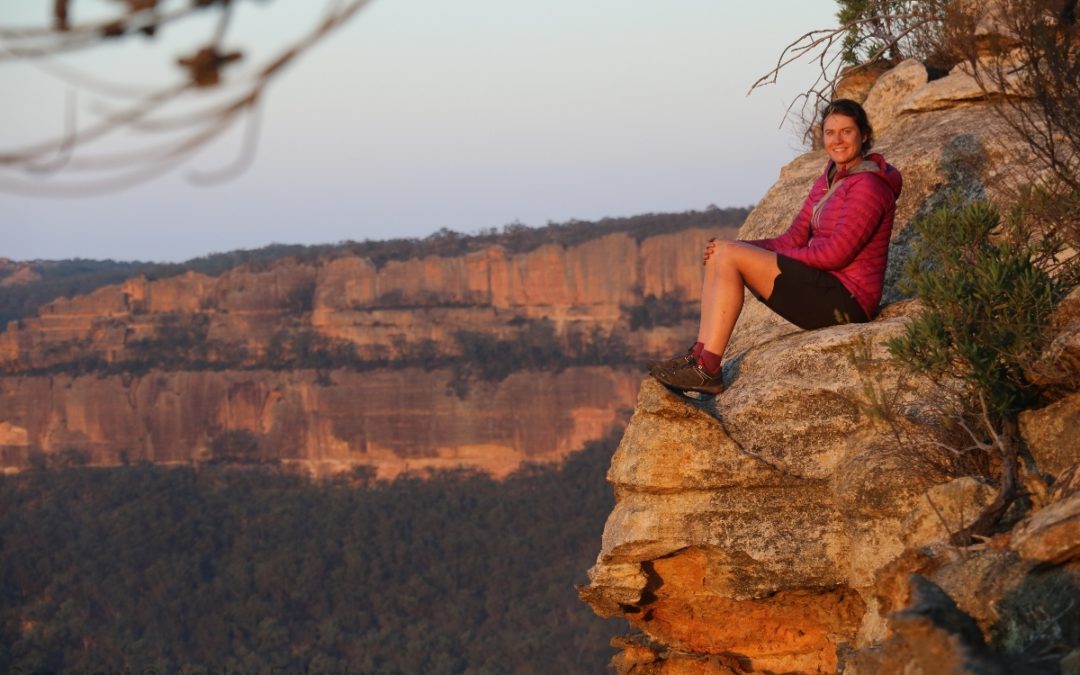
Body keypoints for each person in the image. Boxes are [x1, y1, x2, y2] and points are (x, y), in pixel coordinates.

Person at [650, 98, 903, 395]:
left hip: (847, 302)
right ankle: (700, 357)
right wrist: (740, 246)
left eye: (846, 131)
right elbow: (793, 238)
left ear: (863, 135)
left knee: (731, 254)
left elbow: (836, 254)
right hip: (823, 289)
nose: (838, 140)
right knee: (722, 250)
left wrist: (760, 256)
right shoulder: (831, 178)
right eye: (830, 132)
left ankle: (708, 369)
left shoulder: (869, 186)